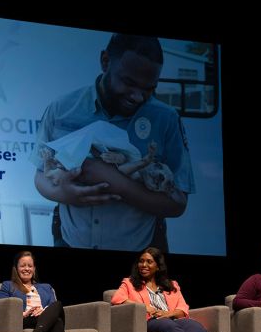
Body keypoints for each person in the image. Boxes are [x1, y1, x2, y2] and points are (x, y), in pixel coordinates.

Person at [31, 33, 194, 251]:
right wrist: (65, 194)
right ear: (105, 61)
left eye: (149, 88)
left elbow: (178, 204)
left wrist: (117, 182)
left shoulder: (166, 119)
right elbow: (40, 176)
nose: (138, 97)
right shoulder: (62, 109)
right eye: (129, 82)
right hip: (69, 241)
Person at [110, 247, 221, 332]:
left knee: (196, 327)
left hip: (171, 319)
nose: (144, 265)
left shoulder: (171, 285)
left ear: (158, 266)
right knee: (168, 325)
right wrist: (144, 307)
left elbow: (183, 309)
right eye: (141, 261)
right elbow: (117, 299)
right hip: (149, 321)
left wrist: (168, 313)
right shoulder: (129, 283)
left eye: (149, 262)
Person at [0, 251, 65, 332]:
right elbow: (2, 308)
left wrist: (44, 311)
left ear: (34, 269)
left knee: (58, 306)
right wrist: (23, 314)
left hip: (44, 319)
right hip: (25, 320)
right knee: (57, 321)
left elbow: (53, 307)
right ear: (16, 268)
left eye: (30, 266)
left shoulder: (46, 287)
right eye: (23, 266)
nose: (27, 268)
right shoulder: (8, 285)